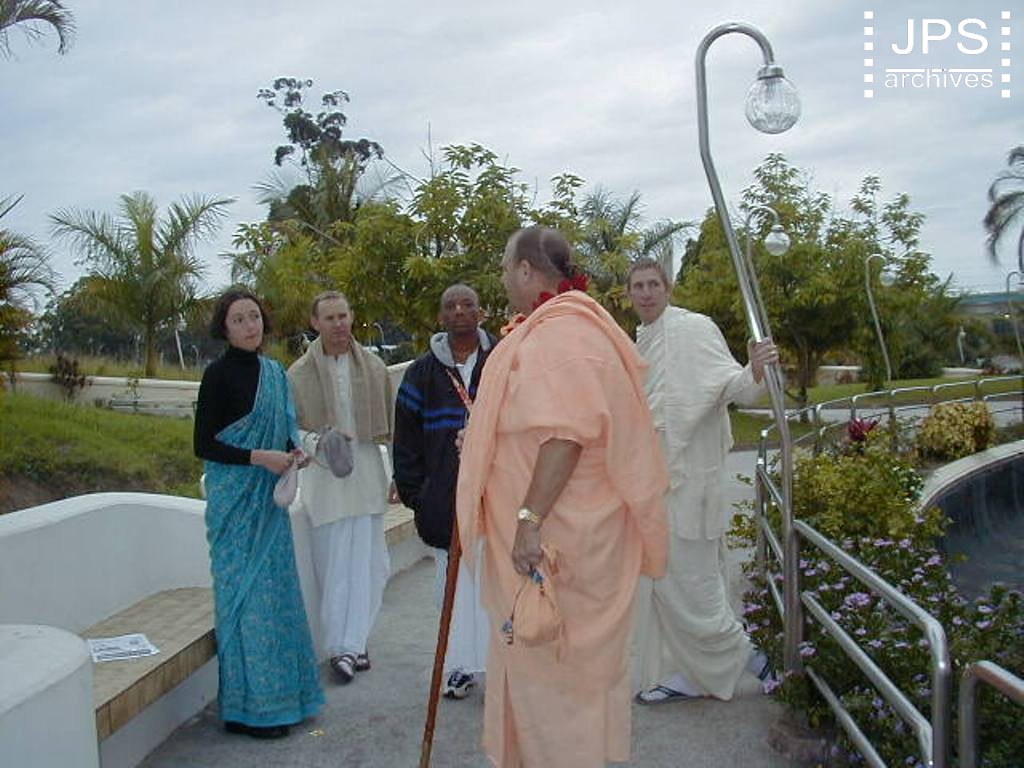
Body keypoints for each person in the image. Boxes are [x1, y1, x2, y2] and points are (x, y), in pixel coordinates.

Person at [456, 227, 669, 767]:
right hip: (557, 536)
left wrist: (528, 521)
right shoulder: (559, 328)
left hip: (559, 542)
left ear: (527, 270)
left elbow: (566, 436)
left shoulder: (562, 335)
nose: (504, 279)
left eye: (506, 268)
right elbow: (540, 424)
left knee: (557, 678)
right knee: (544, 673)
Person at [626, 258, 778, 704]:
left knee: (692, 583)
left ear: (668, 287)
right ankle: (684, 673)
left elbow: (734, 388)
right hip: (652, 484)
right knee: (661, 583)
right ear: (629, 294)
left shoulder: (693, 329)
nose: (646, 293)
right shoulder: (640, 340)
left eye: (653, 284)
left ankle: (751, 657)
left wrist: (755, 370)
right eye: (638, 286)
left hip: (689, 483)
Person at [193, 287, 324, 739]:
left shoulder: (273, 373)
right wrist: (258, 458)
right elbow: (204, 444)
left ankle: (285, 699)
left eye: (254, 316)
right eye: (239, 319)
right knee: (244, 601)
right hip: (235, 504)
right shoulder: (216, 376)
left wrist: (293, 453)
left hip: (269, 504)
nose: (250, 326)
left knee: (276, 598)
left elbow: (286, 431)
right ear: (224, 328)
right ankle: (245, 709)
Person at [393, 283, 496, 700]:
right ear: (440, 317)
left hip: (495, 496)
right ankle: (458, 666)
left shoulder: (502, 360)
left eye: (467, 304)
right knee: (450, 587)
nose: (459, 311)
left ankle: (495, 664)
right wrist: (420, 495)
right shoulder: (421, 373)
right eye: (450, 306)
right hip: (444, 500)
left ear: (480, 312)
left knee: (494, 584)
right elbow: (405, 442)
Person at [287, 291, 394, 685]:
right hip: (325, 478)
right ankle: (341, 648)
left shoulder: (374, 368)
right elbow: (290, 429)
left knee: (372, 565)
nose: (338, 324)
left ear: (352, 317)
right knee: (333, 568)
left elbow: (391, 427)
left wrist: (398, 475)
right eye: (329, 318)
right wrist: (320, 443)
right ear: (315, 323)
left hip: (366, 474)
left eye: (343, 316)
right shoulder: (298, 375)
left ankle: (357, 641)